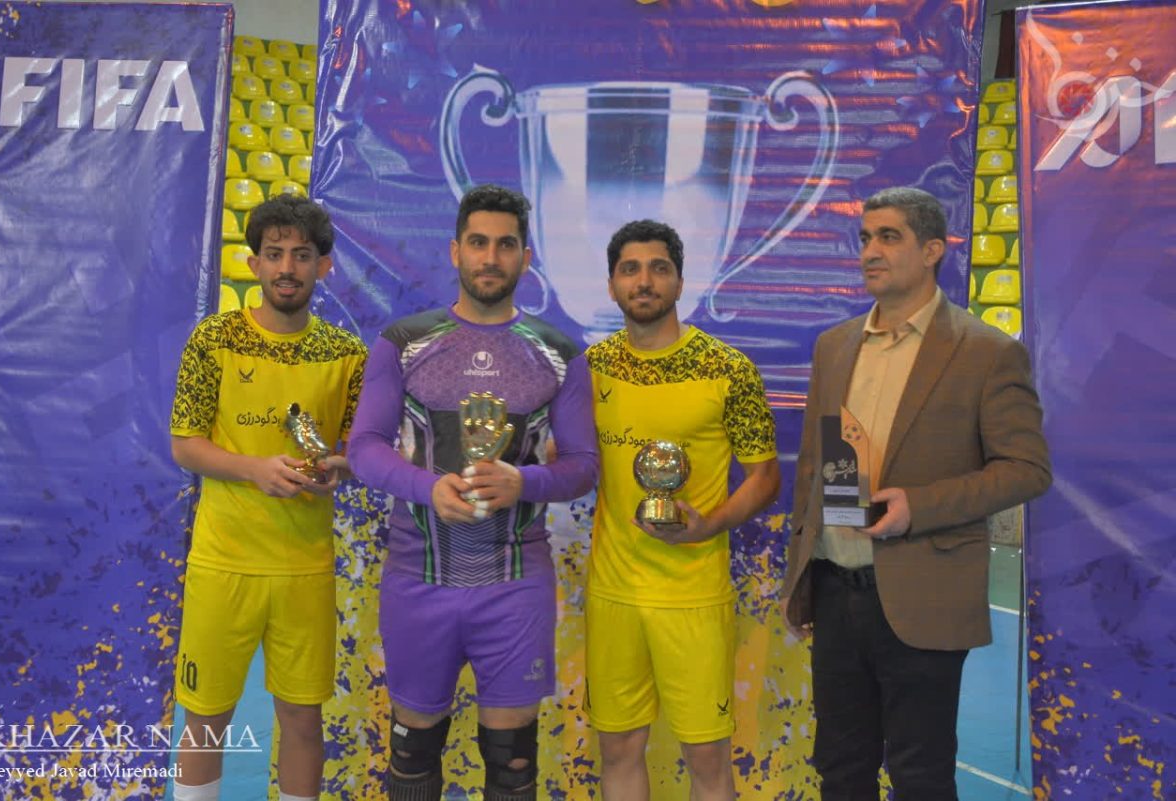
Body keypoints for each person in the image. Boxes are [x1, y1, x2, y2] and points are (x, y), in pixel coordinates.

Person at [779, 186, 1052, 801]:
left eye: (889, 237)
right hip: (836, 590)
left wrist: (918, 508)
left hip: (923, 596)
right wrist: (803, 573)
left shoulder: (987, 352)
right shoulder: (834, 345)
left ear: (932, 250)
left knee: (920, 775)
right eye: (865, 238)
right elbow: (818, 465)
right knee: (839, 768)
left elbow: (1027, 469)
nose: (870, 251)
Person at [347, 184, 598, 800]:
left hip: (514, 586)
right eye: (478, 243)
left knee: (513, 763)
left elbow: (584, 467)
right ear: (455, 251)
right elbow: (364, 449)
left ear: (525, 257)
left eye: (505, 245)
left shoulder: (560, 353)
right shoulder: (404, 341)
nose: (491, 257)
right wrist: (428, 488)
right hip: (417, 581)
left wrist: (524, 481)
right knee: (412, 754)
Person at [168, 195, 368, 801]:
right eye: (275, 253)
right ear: (253, 263)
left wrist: (338, 469)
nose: (287, 267)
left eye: (301, 255)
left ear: (323, 267)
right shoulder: (214, 339)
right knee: (206, 720)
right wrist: (254, 469)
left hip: (305, 569)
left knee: (303, 721)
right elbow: (185, 445)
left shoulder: (346, 355)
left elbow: (361, 452)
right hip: (223, 563)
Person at [583, 220, 781, 801]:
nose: (644, 281)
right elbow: (565, 459)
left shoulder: (728, 368)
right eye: (630, 269)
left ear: (679, 281)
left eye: (659, 268)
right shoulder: (589, 368)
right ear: (613, 284)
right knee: (618, 751)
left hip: (694, 597)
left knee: (708, 761)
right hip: (613, 594)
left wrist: (708, 525)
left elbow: (766, 477)